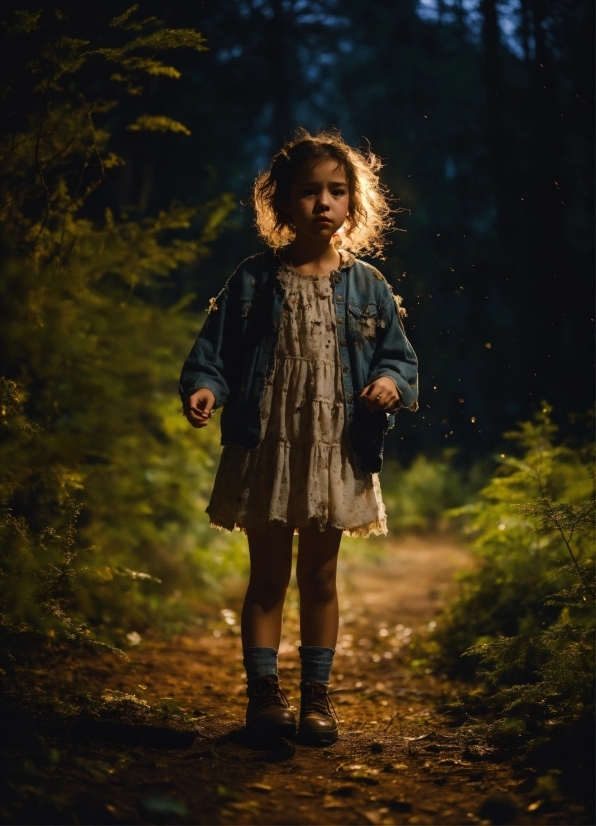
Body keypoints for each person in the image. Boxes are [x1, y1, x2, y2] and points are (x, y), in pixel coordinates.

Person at [180, 129, 418, 745]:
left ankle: (317, 701)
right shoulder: (254, 280)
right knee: (267, 577)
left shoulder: (368, 286)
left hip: (335, 448)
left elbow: (401, 359)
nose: (323, 202)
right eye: (309, 191)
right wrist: (206, 387)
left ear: (352, 204)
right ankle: (264, 699)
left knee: (320, 576)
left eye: (336, 192)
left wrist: (391, 382)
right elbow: (213, 353)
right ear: (281, 202)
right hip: (269, 445)